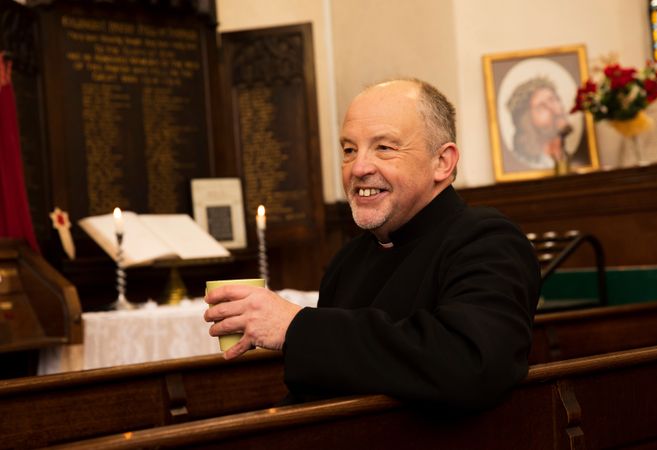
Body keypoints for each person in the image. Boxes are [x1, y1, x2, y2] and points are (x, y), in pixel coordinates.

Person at [204, 78, 540, 412]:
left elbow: (469, 363)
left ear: (443, 162)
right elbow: (322, 392)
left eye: (384, 147)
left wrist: (295, 326)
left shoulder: (488, 241)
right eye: (349, 150)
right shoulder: (347, 261)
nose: (359, 168)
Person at [507, 76, 572, 169]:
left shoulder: (570, 158)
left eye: (553, 99)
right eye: (541, 107)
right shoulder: (523, 164)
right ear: (526, 122)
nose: (554, 109)